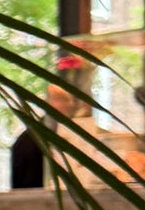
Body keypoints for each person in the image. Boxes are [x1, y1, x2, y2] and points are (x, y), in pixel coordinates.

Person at [10, 54, 91, 189]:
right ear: (49, 103)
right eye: (62, 100)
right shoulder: (34, 139)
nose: (70, 105)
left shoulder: (46, 134)